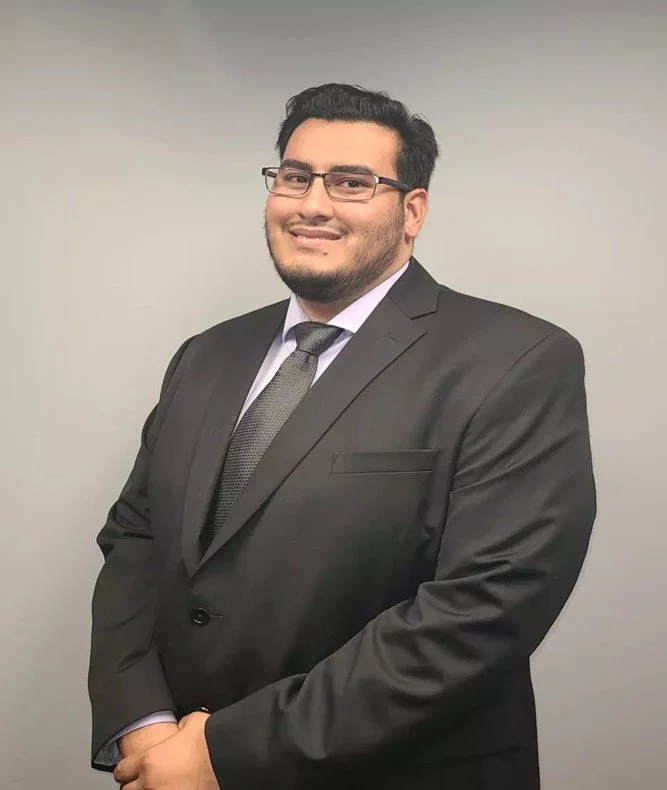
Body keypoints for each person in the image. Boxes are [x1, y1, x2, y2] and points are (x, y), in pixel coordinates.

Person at [88, 83, 596, 790]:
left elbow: (482, 611)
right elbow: (135, 541)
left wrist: (224, 754)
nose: (312, 204)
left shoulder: (515, 359)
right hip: (170, 764)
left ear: (410, 210)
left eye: (352, 183)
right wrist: (141, 723)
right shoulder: (207, 354)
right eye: (294, 177)